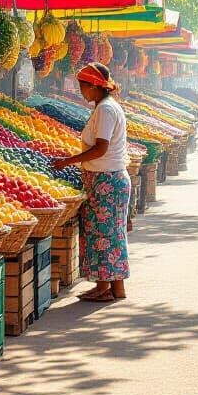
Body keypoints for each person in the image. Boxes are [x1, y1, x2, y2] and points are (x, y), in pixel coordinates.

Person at [52, 62, 129, 302]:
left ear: (95, 86)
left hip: (106, 179)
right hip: (107, 178)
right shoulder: (106, 107)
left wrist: (68, 161)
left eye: (83, 86)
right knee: (109, 234)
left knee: (103, 235)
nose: (81, 91)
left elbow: (100, 148)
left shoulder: (106, 109)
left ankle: (104, 286)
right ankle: (114, 288)